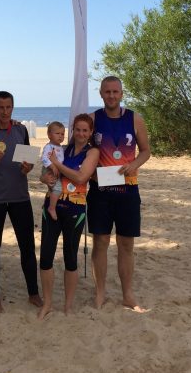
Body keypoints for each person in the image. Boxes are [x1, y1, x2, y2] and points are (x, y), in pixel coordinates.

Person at [88, 76, 151, 312]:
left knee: (126, 244)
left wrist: (134, 164)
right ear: (101, 94)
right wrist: (90, 172)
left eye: (115, 92)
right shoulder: (92, 119)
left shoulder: (135, 118)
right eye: (107, 92)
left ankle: (128, 294)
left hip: (128, 190)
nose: (112, 96)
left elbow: (145, 151)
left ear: (122, 94)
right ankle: (100, 293)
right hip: (100, 191)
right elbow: (80, 150)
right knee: (100, 242)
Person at [0, 90, 42, 311]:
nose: (5, 112)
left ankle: (33, 293)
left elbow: (28, 163)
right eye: (1, 108)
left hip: (19, 197)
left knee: (27, 245)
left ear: (12, 108)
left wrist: (28, 168)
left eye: (8, 107)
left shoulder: (21, 130)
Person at [38, 114, 100, 319]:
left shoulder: (92, 152)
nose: (81, 133)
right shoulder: (63, 149)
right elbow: (45, 172)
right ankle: (47, 303)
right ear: (73, 130)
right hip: (52, 206)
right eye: (78, 129)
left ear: (90, 132)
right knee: (46, 256)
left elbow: (81, 177)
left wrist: (58, 164)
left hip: (75, 210)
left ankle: (68, 306)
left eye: (85, 130)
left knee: (70, 258)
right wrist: (44, 178)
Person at [40, 121, 66, 221]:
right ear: (49, 135)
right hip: (49, 170)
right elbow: (44, 158)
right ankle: (51, 208)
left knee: (52, 188)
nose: (60, 136)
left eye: (62, 134)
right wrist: (52, 166)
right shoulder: (49, 147)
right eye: (57, 133)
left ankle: (49, 204)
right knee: (58, 188)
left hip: (55, 170)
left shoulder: (60, 147)